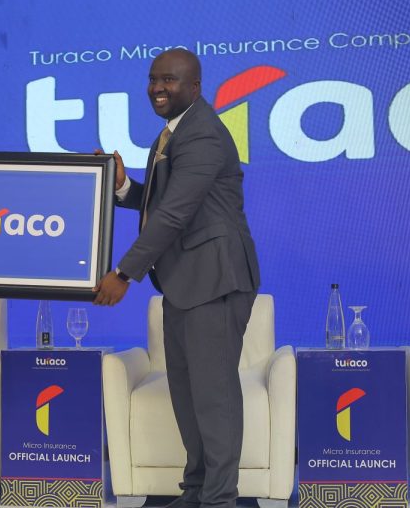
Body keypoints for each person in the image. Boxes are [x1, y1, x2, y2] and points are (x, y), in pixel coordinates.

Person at [93, 48, 260, 508]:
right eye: (153, 79)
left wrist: (123, 273)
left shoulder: (202, 133)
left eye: (168, 79)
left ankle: (219, 499)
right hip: (185, 283)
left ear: (195, 86)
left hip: (215, 281)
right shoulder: (171, 133)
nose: (157, 88)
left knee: (213, 396)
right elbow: (159, 201)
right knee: (187, 396)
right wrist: (122, 185)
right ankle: (197, 490)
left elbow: (173, 214)